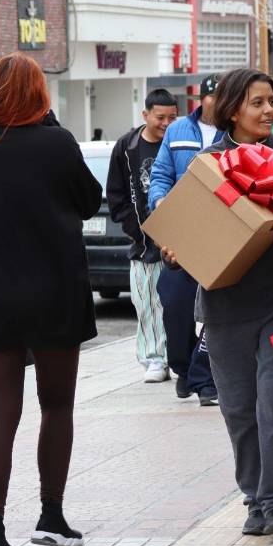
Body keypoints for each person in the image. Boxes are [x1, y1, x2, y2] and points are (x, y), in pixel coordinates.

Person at [162, 68, 273, 536]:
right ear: (233, 110)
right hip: (224, 307)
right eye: (258, 103)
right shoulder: (209, 164)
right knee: (237, 409)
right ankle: (254, 498)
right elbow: (186, 232)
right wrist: (175, 252)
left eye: (271, 102)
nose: (270, 110)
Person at [0, 54, 101, 546]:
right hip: (54, 291)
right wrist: (51, 128)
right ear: (39, 95)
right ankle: (51, 517)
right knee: (56, 406)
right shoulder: (57, 143)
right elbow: (89, 199)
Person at [149, 73, 222, 405]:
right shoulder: (177, 131)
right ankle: (184, 367)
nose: (217, 103)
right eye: (212, 96)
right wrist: (160, 203)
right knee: (174, 302)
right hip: (181, 233)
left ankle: (204, 380)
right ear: (201, 99)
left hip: (220, 234)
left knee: (215, 309)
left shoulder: (233, 134)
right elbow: (161, 174)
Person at [107, 88, 178, 384]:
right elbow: (117, 196)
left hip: (181, 240)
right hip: (143, 244)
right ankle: (154, 358)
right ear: (145, 114)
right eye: (160, 117)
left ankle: (179, 357)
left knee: (178, 304)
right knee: (147, 303)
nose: (166, 123)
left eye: (172, 117)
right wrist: (137, 231)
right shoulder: (127, 146)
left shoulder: (178, 142)